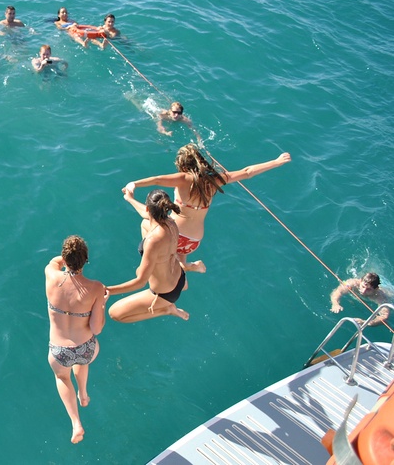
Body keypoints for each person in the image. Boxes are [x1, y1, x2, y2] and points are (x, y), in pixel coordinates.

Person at [125, 144, 291, 273]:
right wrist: (276, 162)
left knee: (146, 223)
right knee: (179, 250)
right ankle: (186, 265)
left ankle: (154, 261)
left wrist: (134, 184)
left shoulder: (184, 178)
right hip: (193, 242)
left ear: (182, 165)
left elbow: (157, 179)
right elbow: (247, 172)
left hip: (176, 236)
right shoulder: (214, 180)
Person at [45, 235, 108, 444]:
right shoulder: (96, 288)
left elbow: (53, 262)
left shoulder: (51, 276)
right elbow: (96, 328)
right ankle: (83, 393)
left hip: (59, 352)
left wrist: (65, 259)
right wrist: (102, 305)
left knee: (63, 378)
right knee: (82, 360)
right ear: (86, 260)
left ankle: (76, 423)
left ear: (65, 257)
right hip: (86, 348)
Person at [107, 189, 189, 323]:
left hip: (165, 294)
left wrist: (108, 290)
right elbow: (145, 215)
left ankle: (166, 310)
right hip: (179, 277)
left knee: (115, 313)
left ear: (148, 208)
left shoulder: (153, 241)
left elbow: (140, 282)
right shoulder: (171, 222)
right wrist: (130, 199)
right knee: (145, 223)